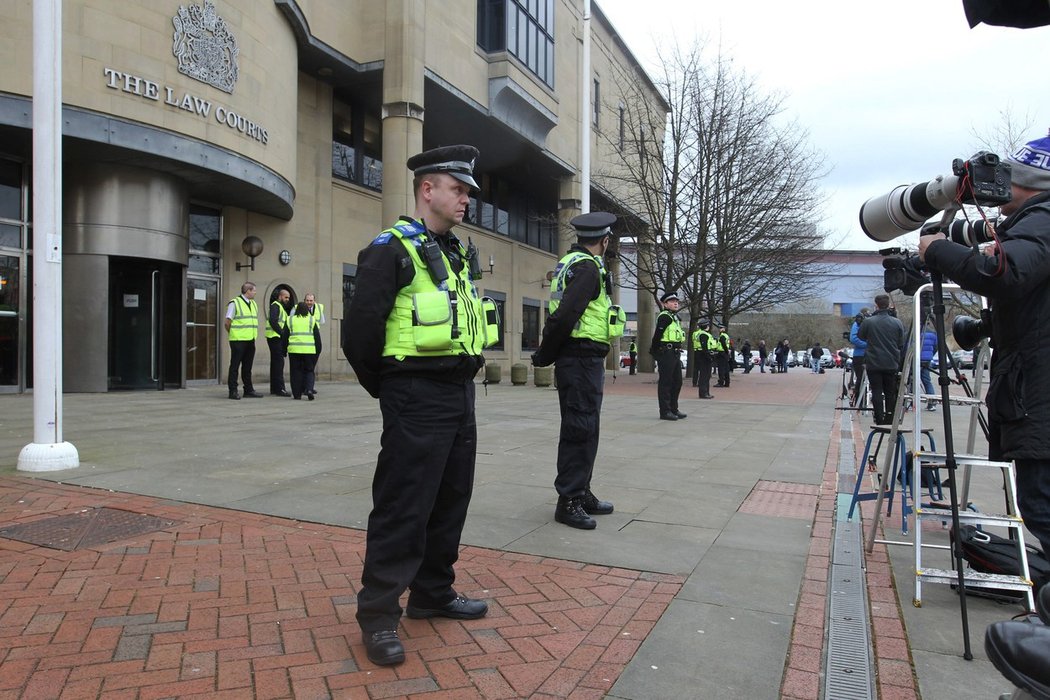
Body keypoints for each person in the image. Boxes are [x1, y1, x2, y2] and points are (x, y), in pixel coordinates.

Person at [343, 145, 493, 667]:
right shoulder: (390, 248)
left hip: (458, 393)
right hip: (416, 393)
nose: (467, 199)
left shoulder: (450, 250)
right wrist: (391, 391)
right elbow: (359, 333)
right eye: (459, 189)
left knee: (451, 497)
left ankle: (432, 592)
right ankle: (379, 614)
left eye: (469, 191)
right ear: (428, 189)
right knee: (404, 505)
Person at [918, 131, 1050, 557]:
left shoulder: (1044, 219)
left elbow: (1005, 274)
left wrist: (938, 251)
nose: (998, 191)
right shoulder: (1033, 223)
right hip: (1032, 392)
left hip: (1038, 397)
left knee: (1041, 505)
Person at [531, 211, 620, 530]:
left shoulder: (576, 263)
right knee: (579, 427)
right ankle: (568, 499)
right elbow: (566, 316)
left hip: (583, 358)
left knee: (586, 426)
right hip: (579, 357)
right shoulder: (587, 268)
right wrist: (545, 354)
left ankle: (580, 491)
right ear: (604, 241)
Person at [857, 294, 906, 425]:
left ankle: (879, 417)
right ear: (888, 304)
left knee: (876, 390)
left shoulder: (869, 322)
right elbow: (901, 343)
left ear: (876, 305)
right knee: (890, 391)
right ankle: (890, 417)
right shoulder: (897, 322)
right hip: (891, 361)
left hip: (874, 361)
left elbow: (861, 336)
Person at [650, 292, 686, 420]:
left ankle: (673, 409)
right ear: (665, 304)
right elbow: (657, 336)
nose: (676, 303)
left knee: (677, 382)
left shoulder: (674, 317)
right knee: (666, 382)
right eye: (672, 301)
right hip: (666, 352)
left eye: (676, 301)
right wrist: (655, 352)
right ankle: (665, 411)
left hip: (675, 352)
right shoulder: (665, 317)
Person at [225, 281, 263, 400]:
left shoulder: (253, 304)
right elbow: (227, 322)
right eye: (254, 290)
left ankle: (248, 390)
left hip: (250, 339)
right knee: (235, 366)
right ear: (248, 291)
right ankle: (233, 391)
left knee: (247, 367)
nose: (255, 292)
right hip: (238, 340)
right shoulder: (235, 303)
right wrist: (233, 333)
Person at [286, 301, 319, 400]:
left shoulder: (290, 320)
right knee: (309, 370)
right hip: (309, 350)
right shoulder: (311, 320)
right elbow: (317, 337)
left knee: (296, 372)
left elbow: (285, 336)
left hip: (294, 350)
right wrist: (318, 350)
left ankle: (297, 394)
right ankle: (309, 389)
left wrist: (283, 349)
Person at [266, 289, 292, 396]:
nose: (287, 300)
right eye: (286, 297)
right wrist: (282, 333)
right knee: (279, 363)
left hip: (275, 337)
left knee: (276, 363)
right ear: (280, 296)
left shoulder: (280, 307)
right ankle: (280, 389)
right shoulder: (275, 306)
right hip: (275, 338)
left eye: (288, 298)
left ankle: (274, 388)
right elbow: (273, 321)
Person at [303, 293, 325, 396]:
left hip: (315, 338)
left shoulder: (319, 308)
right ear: (304, 301)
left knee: (311, 365)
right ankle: (307, 387)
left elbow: (322, 321)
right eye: (307, 300)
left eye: (311, 300)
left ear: (314, 301)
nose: (309, 303)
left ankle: (309, 387)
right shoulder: (298, 308)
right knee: (307, 366)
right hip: (303, 340)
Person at [691, 321, 715, 399]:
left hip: (699, 353)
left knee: (705, 374)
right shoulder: (704, 335)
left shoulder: (696, 333)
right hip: (704, 355)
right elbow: (704, 347)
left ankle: (706, 392)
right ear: (706, 327)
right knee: (705, 375)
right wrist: (709, 357)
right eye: (708, 325)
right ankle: (703, 393)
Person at [849, 308, 870, 389]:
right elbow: (853, 339)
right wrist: (867, 345)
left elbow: (853, 338)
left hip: (861, 354)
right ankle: (859, 398)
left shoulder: (858, 324)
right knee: (860, 379)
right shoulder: (857, 324)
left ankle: (860, 398)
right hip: (861, 354)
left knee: (861, 379)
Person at [920, 327, 937, 410]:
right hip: (927, 360)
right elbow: (936, 346)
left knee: (912, 381)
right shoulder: (933, 333)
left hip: (916, 359)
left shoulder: (916, 331)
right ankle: (932, 403)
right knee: (927, 381)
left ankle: (912, 402)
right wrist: (930, 355)